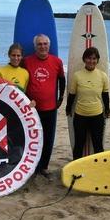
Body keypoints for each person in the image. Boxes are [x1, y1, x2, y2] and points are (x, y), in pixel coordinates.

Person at [23, 34, 65, 177]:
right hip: (31, 109)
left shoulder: (57, 62)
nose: (42, 46)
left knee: (48, 138)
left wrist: (60, 98)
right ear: (35, 46)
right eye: (39, 44)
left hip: (50, 108)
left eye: (45, 43)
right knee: (31, 139)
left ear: (49, 45)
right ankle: (32, 167)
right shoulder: (26, 61)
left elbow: (62, 80)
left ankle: (44, 166)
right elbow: (21, 81)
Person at [66, 47, 110, 160]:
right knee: (79, 144)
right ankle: (76, 166)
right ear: (84, 59)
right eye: (89, 58)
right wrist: (68, 108)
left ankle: (98, 167)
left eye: (94, 58)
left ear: (97, 60)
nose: (91, 61)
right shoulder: (77, 76)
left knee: (98, 144)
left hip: (97, 116)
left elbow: (105, 95)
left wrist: (108, 109)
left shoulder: (102, 76)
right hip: (80, 115)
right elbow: (72, 94)